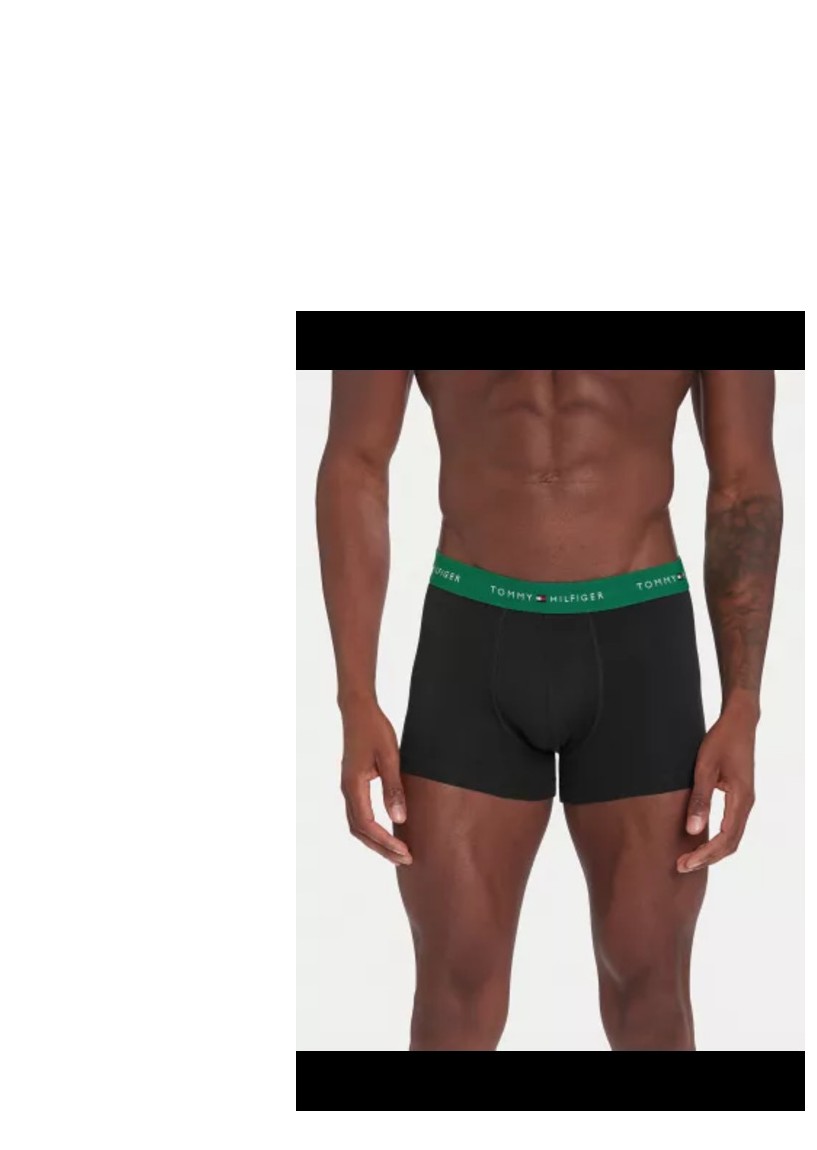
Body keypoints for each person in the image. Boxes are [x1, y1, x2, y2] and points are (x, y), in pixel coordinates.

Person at [316, 370, 782, 1051]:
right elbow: (355, 463)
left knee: (650, 990)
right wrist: (354, 697)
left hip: (641, 644)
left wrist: (744, 704)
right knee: (454, 992)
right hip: (471, 635)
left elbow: (743, 485)